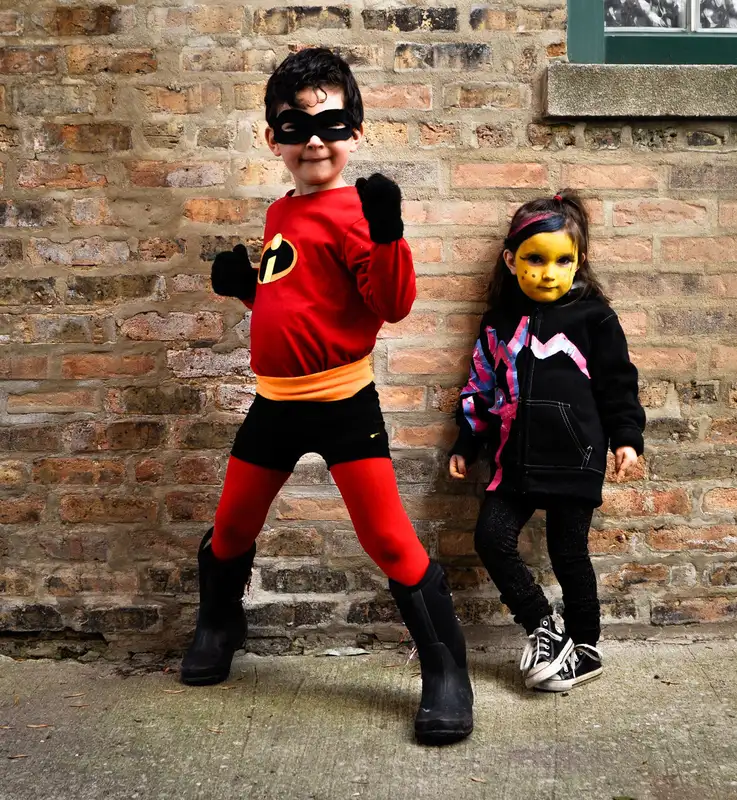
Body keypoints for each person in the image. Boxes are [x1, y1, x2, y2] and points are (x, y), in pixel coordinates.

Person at [179, 47, 472, 745]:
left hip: (343, 404)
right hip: (275, 404)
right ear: (273, 138)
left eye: (331, 124)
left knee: (388, 539)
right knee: (231, 528)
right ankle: (219, 624)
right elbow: (301, 304)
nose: (314, 140)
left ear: (355, 133)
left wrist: (390, 233)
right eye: (296, 126)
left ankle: (446, 669)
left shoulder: (358, 212)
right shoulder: (281, 211)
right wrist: (246, 291)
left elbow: (391, 303)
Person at [449, 191, 645, 692]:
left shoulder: (594, 317)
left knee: (568, 552)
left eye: (562, 261)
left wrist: (626, 438)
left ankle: (586, 648)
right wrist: (466, 442)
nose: (548, 273)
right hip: (512, 458)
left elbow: (618, 384)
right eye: (535, 259)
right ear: (511, 259)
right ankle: (543, 626)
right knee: (491, 538)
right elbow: (480, 386)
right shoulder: (497, 322)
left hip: (576, 456)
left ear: (580, 261)